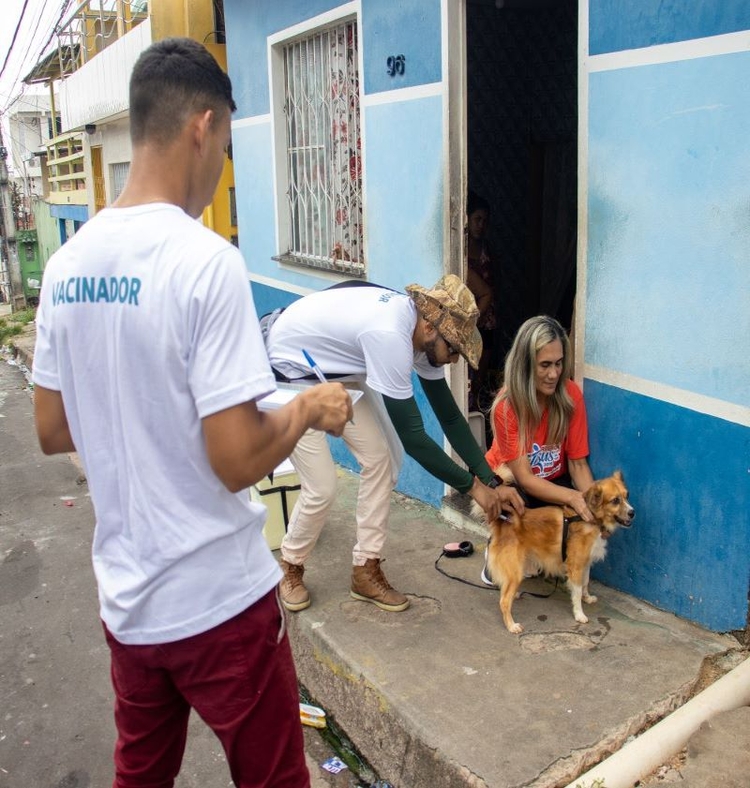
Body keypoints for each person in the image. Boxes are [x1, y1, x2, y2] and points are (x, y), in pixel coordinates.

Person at [31, 38, 351, 788]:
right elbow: (236, 457)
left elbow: (52, 427)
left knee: (140, 776)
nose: (220, 169)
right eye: (229, 145)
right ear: (201, 127)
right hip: (220, 604)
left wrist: (137, 409)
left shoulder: (66, 267)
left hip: (131, 606)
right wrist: (305, 406)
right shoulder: (203, 260)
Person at [265, 274, 525, 614]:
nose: (455, 360)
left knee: (382, 461)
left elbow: (449, 417)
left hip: (336, 369)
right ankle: (290, 567)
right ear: (432, 329)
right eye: (455, 349)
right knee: (322, 487)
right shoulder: (390, 336)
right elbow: (415, 439)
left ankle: (365, 569)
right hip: (291, 371)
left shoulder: (421, 331)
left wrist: (492, 479)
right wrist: (474, 489)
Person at [485, 315, 594, 521]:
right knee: (517, 523)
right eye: (545, 365)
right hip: (511, 483)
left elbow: (578, 465)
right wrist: (573, 497)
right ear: (525, 366)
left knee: (582, 521)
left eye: (558, 363)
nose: (554, 374)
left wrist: (593, 505)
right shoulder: (507, 406)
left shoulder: (571, 395)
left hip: (553, 481)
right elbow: (525, 478)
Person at [465, 191, 497, 411]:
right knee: (464, 375)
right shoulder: (459, 250)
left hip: (488, 320)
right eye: (477, 219)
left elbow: (495, 283)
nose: (481, 225)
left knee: (479, 377)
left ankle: (475, 412)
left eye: (485, 221)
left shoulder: (488, 250)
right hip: (467, 321)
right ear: (466, 219)